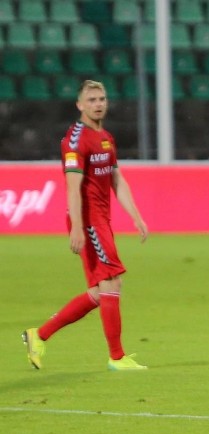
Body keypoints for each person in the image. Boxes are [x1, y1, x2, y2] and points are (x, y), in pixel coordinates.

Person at [22, 80, 149, 372]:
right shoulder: (76, 140)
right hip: (89, 219)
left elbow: (117, 178)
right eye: (91, 99)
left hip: (100, 220)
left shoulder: (105, 136)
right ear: (79, 105)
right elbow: (72, 186)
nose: (98, 103)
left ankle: (38, 336)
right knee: (112, 282)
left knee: (99, 292)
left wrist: (136, 216)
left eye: (102, 98)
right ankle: (116, 357)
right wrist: (78, 227)